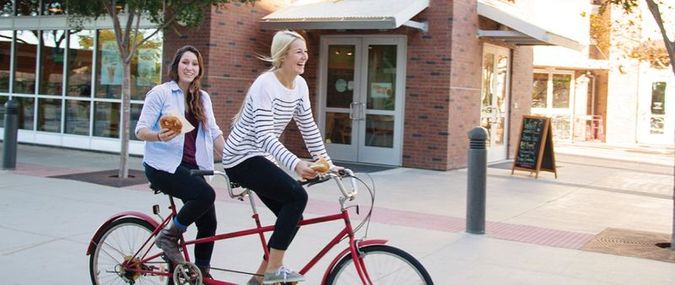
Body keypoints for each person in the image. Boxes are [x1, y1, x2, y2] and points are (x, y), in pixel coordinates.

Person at [222, 30, 335, 285]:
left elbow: (308, 127)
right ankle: (274, 270)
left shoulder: (300, 86)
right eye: (299, 51)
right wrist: (295, 163)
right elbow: (263, 136)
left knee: (292, 216)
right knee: (297, 196)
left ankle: (260, 277)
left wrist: (328, 163)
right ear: (283, 56)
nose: (305, 56)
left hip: (261, 157)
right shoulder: (266, 84)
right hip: (241, 157)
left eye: (306, 51)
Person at [135, 45, 224, 278]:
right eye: (185, 62)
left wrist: (234, 159)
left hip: (193, 167)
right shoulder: (161, 93)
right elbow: (140, 130)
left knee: (208, 223)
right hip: (162, 166)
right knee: (205, 195)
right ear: (176, 66)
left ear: (199, 70)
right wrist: (157, 136)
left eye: (194, 64)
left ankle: (201, 274)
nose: (190, 67)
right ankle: (168, 237)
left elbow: (214, 133)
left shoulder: (202, 98)